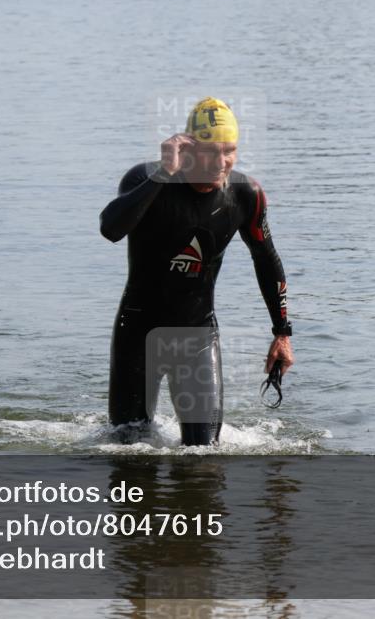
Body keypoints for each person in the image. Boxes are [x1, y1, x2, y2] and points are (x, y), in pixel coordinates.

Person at [99, 97, 294, 446]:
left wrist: (282, 332)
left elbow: (266, 258)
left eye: (229, 151)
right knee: (125, 448)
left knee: (203, 456)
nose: (222, 162)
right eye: (211, 152)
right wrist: (162, 174)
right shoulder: (147, 179)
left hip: (197, 335)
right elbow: (111, 229)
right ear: (187, 150)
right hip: (138, 334)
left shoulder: (245, 195)